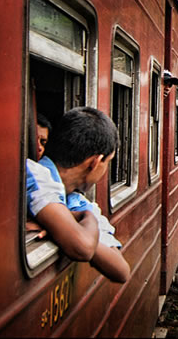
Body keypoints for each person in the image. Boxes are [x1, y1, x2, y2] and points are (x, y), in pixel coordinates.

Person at [25, 107, 130, 283]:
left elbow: (121, 271)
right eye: (108, 163)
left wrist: (65, 225)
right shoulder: (35, 175)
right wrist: (82, 220)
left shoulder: (75, 200)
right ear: (95, 162)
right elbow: (83, 248)